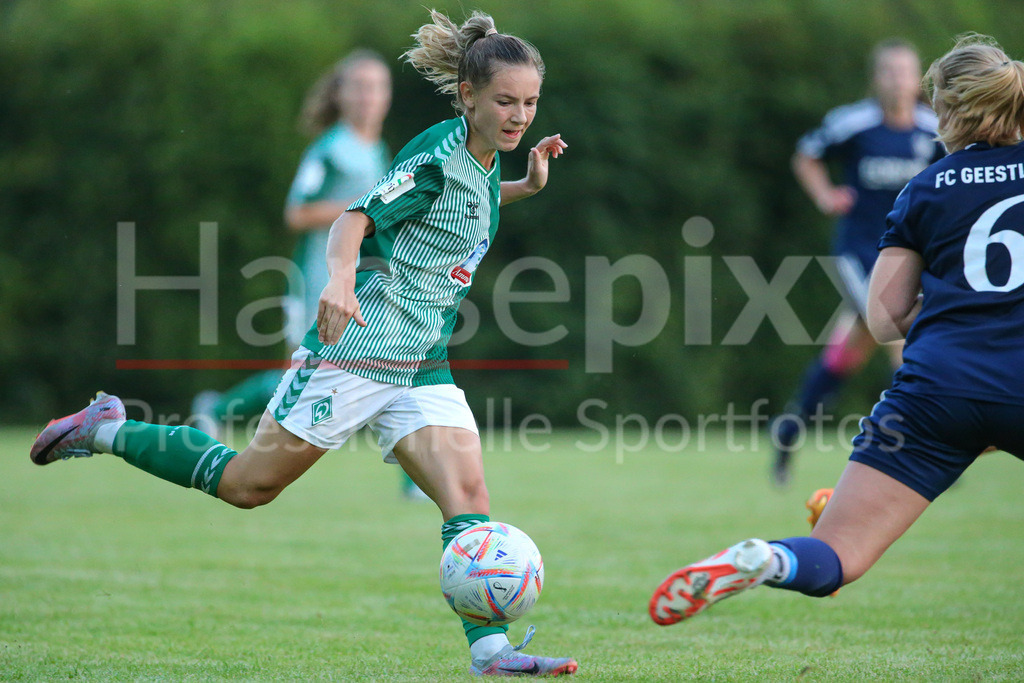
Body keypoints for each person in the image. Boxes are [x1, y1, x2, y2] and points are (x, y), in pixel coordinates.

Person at [32, 9, 576, 677]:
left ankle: (491, 653)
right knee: (247, 485)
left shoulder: (483, 155)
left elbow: (468, 203)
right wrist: (341, 281)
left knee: (468, 498)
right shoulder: (438, 157)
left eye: (530, 103)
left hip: (422, 362)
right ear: (468, 96)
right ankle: (107, 428)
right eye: (505, 101)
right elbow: (354, 218)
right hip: (357, 351)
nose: (520, 116)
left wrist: (528, 184)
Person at [650, 33, 1024, 626]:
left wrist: (958, 316)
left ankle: (766, 558)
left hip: (937, 392)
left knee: (835, 554)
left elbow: (886, 317)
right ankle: (798, 429)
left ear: (946, 110)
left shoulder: (926, 186)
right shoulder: (860, 127)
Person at [191, 50, 427, 500]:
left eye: (377, 87)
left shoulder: (378, 150)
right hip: (316, 279)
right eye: (359, 87)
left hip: (363, 283)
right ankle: (218, 409)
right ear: (341, 94)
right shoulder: (328, 149)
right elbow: (296, 213)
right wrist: (362, 206)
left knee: (388, 368)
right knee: (299, 377)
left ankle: (415, 477)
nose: (369, 97)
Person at [771, 39, 946, 486]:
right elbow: (806, 155)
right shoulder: (854, 123)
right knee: (900, 331)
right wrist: (825, 196)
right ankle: (924, 443)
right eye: (889, 71)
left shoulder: (933, 130)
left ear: (918, 79)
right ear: (876, 78)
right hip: (860, 252)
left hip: (910, 258)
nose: (897, 80)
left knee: (849, 351)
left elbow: (953, 178)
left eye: (905, 71)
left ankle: (789, 428)